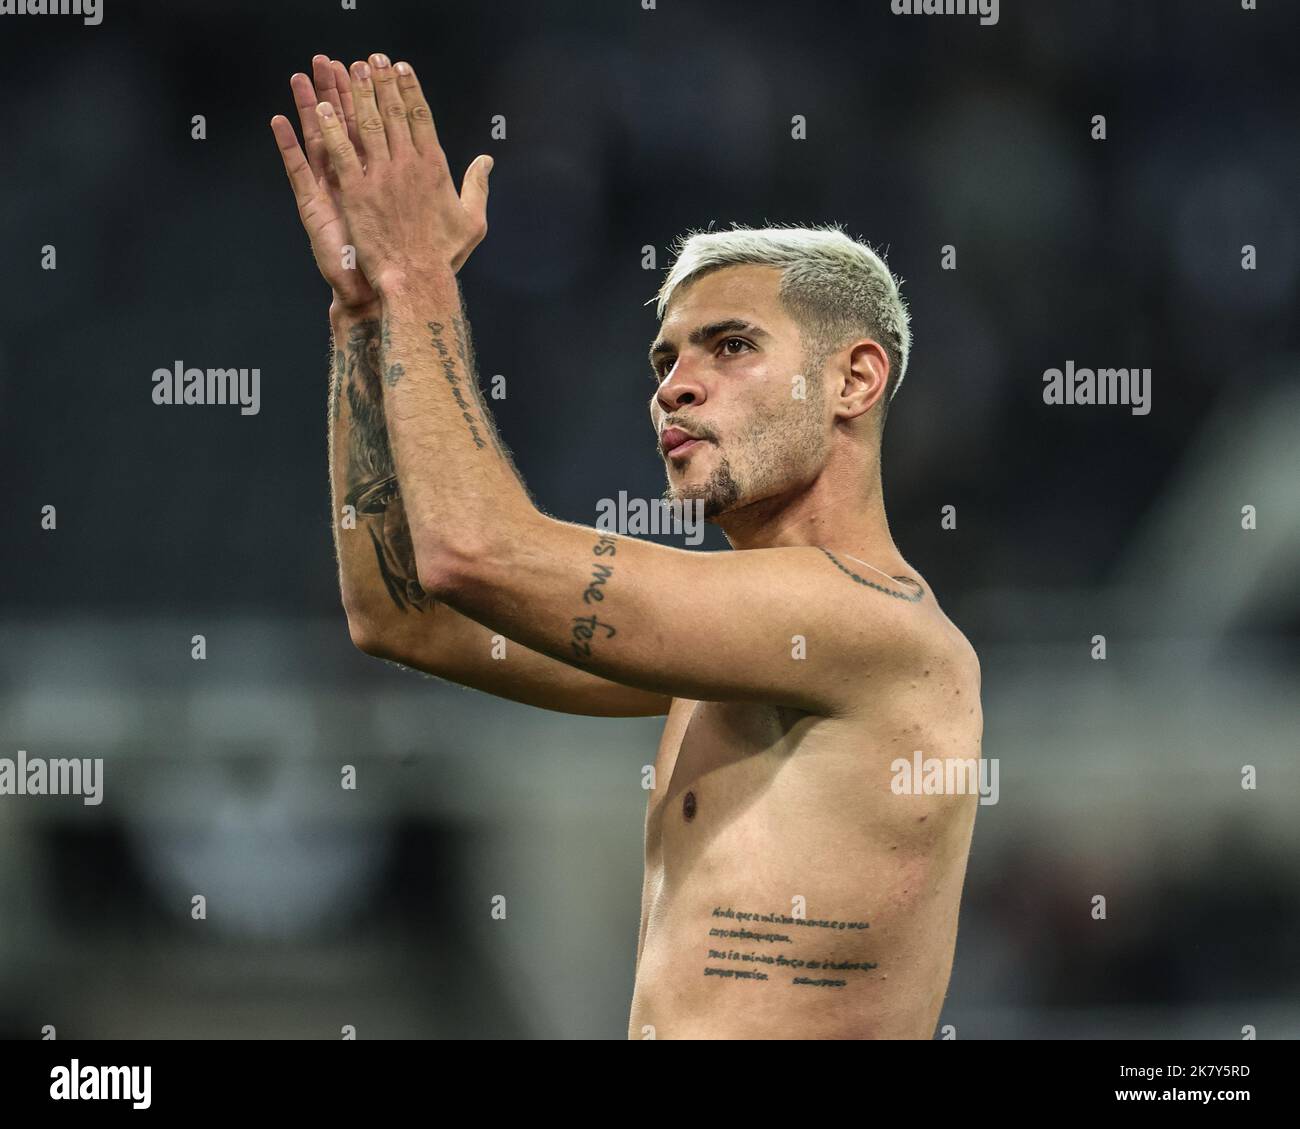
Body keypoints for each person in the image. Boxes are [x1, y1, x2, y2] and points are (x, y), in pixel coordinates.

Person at [270, 53, 983, 1039]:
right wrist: (363, 313)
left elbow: (469, 551)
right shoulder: (743, 649)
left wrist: (416, 278)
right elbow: (403, 615)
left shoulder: (868, 624)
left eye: (729, 346)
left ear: (854, 379)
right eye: (665, 359)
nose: (673, 387)